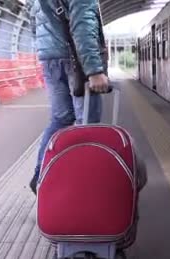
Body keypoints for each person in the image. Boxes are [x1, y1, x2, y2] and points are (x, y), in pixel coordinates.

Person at [27, 0, 110, 194]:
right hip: (75, 60)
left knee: (60, 118)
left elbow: (33, 25)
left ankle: (41, 176)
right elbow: (83, 23)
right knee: (87, 123)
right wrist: (94, 70)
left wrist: (47, 52)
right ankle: (84, 184)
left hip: (49, 59)